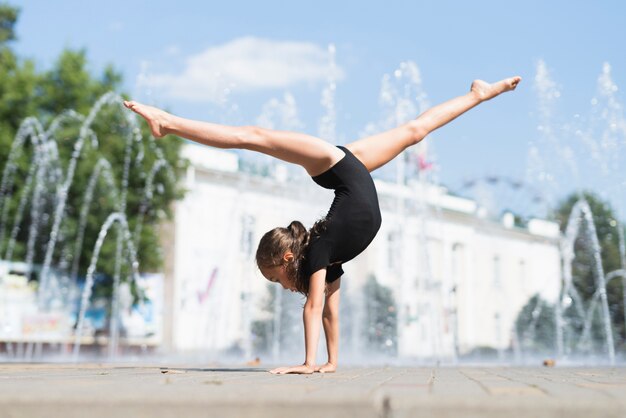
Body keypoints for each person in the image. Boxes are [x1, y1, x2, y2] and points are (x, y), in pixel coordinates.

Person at [124, 75, 521, 374]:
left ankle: (167, 122)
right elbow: (330, 309)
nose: (282, 286)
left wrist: (308, 363)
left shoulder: (316, 253)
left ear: (287, 256)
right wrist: (331, 363)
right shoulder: (326, 258)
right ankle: (478, 94)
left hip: (332, 165)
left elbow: (311, 308)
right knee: (414, 131)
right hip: (351, 173)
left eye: (276, 278)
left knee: (254, 137)